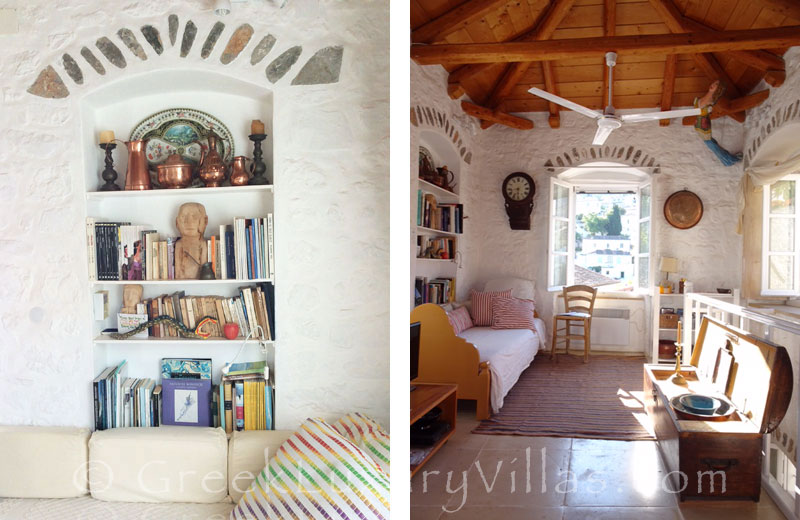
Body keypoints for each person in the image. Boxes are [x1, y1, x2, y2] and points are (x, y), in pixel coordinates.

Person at [694, 80, 742, 167]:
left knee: (712, 144)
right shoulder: (708, 99)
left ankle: (727, 159)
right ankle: (728, 160)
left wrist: (711, 92)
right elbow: (701, 105)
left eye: (716, 84)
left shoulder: (711, 100)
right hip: (702, 126)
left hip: (703, 125)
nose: (713, 85)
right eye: (714, 83)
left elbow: (702, 105)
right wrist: (711, 92)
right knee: (713, 145)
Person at [174, 202, 208, 279]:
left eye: (195, 216)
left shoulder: (203, 243)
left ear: (205, 221)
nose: (189, 222)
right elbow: (178, 269)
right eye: (184, 216)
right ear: (177, 222)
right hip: (182, 278)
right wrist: (179, 276)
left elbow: (204, 267)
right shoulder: (179, 244)